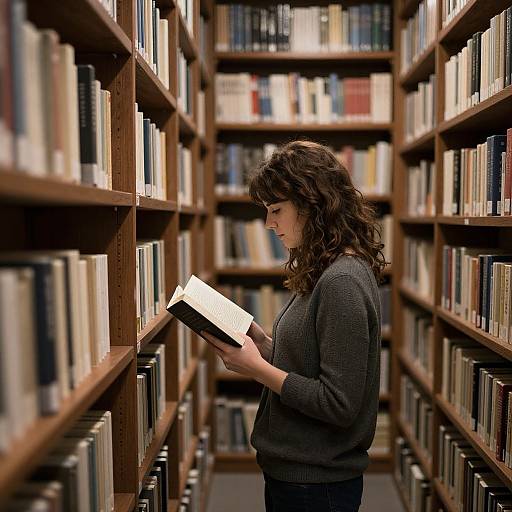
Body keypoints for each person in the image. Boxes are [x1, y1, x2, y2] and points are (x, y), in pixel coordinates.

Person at [202, 140, 385, 512]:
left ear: (312, 205)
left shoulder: (341, 281)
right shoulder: (324, 270)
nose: (269, 223)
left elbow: (338, 404)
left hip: (315, 484)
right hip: (299, 473)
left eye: (276, 210)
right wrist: (261, 339)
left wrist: (255, 368)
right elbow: (307, 363)